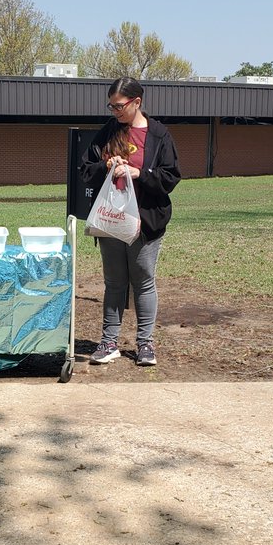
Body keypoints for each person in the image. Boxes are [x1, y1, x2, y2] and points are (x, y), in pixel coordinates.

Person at [79, 77, 181, 366]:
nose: (114, 112)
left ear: (137, 102)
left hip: (145, 222)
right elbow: (86, 170)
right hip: (110, 219)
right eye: (111, 106)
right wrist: (106, 166)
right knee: (114, 283)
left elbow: (171, 177)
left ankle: (145, 344)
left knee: (143, 281)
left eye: (119, 106)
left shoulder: (159, 135)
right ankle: (108, 342)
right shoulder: (107, 132)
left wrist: (140, 174)